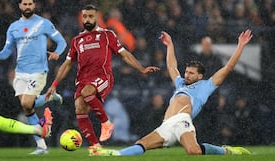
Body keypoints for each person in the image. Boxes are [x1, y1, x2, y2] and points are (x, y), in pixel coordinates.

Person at [94, 29, 253, 156]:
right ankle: (113, 154)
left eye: (191, 73)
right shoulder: (180, 84)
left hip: (182, 120)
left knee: (194, 151)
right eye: (186, 72)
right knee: (142, 143)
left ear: (200, 76)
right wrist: (170, 45)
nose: (186, 75)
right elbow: (171, 67)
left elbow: (228, 68)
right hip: (166, 125)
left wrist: (240, 46)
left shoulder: (206, 85)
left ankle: (226, 151)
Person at [45, 4, 160, 155]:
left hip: (102, 76)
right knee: (79, 107)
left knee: (87, 92)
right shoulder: (77, 40)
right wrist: (54, 84)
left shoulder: (107, 35)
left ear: (97, 18)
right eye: (85, 16)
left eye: (91, 16)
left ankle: (106, 123)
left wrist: (141, 69)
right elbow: (67, 65)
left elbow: (124, 54)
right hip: (83, 79)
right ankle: (95, 146)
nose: (87, 19)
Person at [0, 0, 67, 154]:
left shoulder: (43, 23)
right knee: (28, 109)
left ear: (34, 6)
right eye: (25, 4)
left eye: (30, 4)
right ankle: (41, 147)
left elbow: (62, 42)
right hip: (20, 73)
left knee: (26, 103)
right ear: (19, 6)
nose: (28, 7)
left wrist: (57, 52)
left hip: (38, 70)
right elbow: (7, 51)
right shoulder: (13, 27)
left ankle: (50, 97)